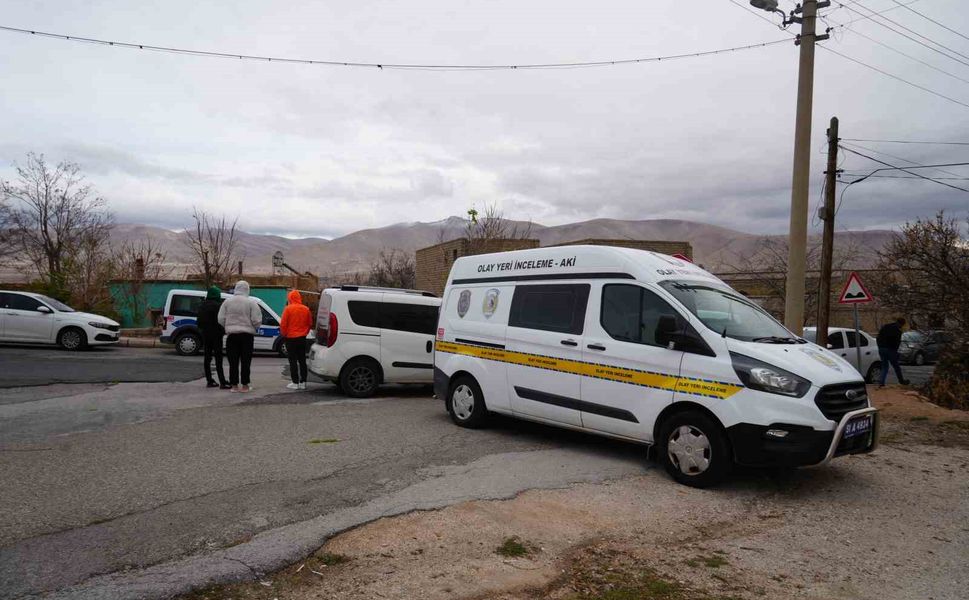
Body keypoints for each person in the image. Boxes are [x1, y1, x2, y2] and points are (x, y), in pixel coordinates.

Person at [218, 280, 262, 393]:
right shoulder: (251, 302)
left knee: (233, 362)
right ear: (247, 289)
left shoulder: (227, 302)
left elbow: (221, 318)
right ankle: (245, 386)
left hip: (232, 335)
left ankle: (234, 386)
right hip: (247, 336)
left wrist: (228, 326)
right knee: (245, 361)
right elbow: (257, 320)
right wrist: (254, 327)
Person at [196, 286, 229, 389]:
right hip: (217, 335)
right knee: (218, 358)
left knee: (207, 357)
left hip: (206, 334)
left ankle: (209, 380)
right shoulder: (219, 306)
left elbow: (199, 322)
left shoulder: (202, 306)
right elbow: (222, 321)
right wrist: (223, 331)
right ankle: (222, 382)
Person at [280, 289, 313, 390]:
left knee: (293, 361)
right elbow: (309, 324)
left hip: (291, 338)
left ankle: (295, 382)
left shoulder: (288, 309)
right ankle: (303, 382)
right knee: (302, 360)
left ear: (290, 298)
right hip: (302, 338)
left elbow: (283, 324)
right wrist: (305, 333)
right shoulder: (306, 309)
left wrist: (285, 335)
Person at [876, 317, 910, 387]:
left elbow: (878, 337)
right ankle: (901, 381)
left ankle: (881, 382)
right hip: (891, 350)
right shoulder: (898, 331)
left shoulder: (886, 326)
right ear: (901, 324)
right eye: (902, 325)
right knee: (896, 366)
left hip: (882, 349)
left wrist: (880, 347)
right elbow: (897, 343)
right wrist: (895, 352)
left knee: (884, 366)